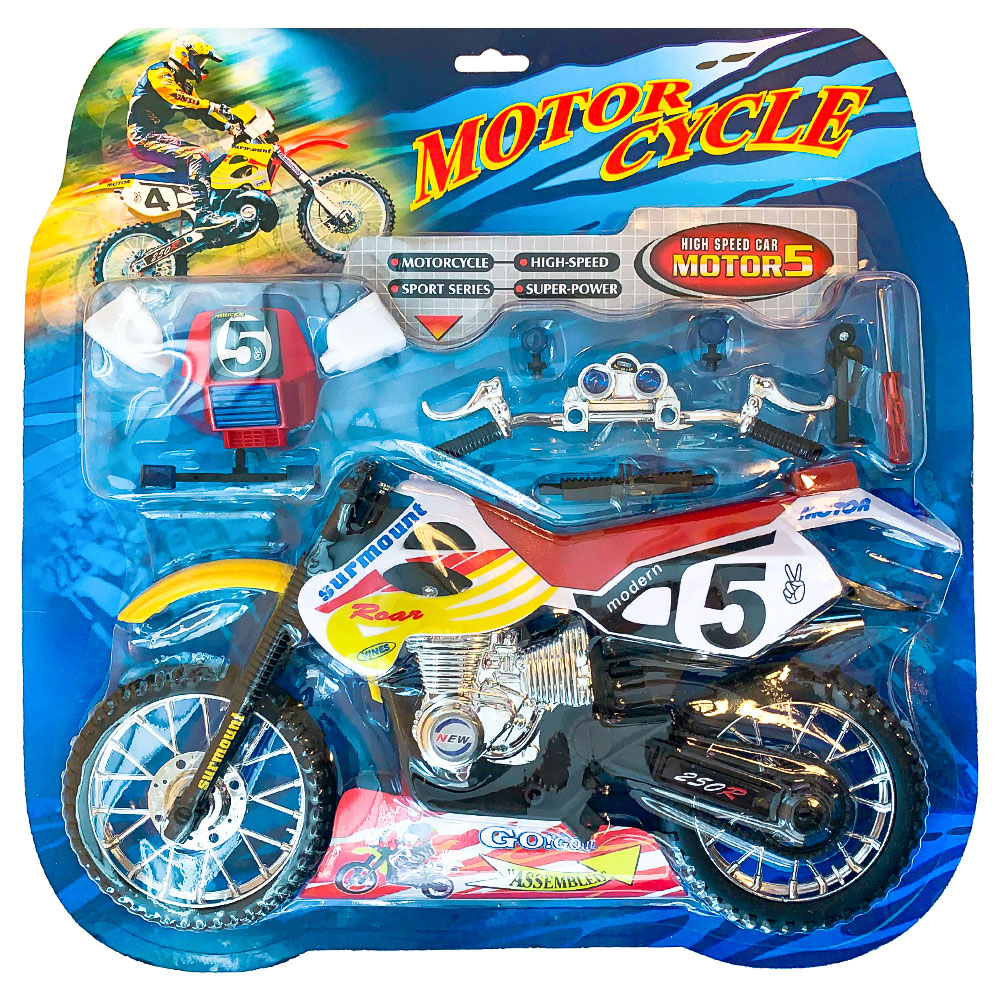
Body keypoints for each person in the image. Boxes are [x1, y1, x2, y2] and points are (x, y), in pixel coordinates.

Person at [127, 35, 237, 229]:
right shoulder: (159, 72)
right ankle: (203, 216)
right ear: (185, 56)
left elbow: (199, 111)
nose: (201, 66)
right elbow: (176, 98)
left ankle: (192, 217)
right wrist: (214, 106)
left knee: (205, 164)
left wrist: (230, 127)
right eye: (199, 60)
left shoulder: (185, 85)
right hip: (142, 136)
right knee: (197, 155)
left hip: (155, 134)